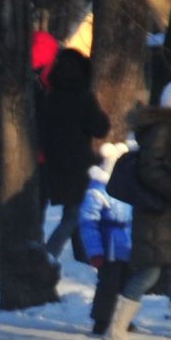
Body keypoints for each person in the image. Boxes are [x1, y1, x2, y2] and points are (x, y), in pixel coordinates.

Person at [106, 80, 171, 340]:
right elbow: (151, 170)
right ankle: (116, 330)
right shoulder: (164, 128)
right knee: (150, 272)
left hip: (168, 213)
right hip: (158, 213)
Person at [38, 48, 109, 263]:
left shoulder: (49, 97)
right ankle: (47, 255)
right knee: (75, 214)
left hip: (54, 163)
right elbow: (100, 128)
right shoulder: (83, 97)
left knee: (75, 212)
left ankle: (84, 257)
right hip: (79, 164)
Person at [80, 142, 136, 337]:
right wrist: (95, 251)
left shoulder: (132, 188)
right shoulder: (98, 192)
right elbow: (88, 223)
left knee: (128, 284)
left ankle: (122, 319)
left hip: (130, 245)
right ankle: (102, 320)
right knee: (108, 284)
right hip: (110, 248)